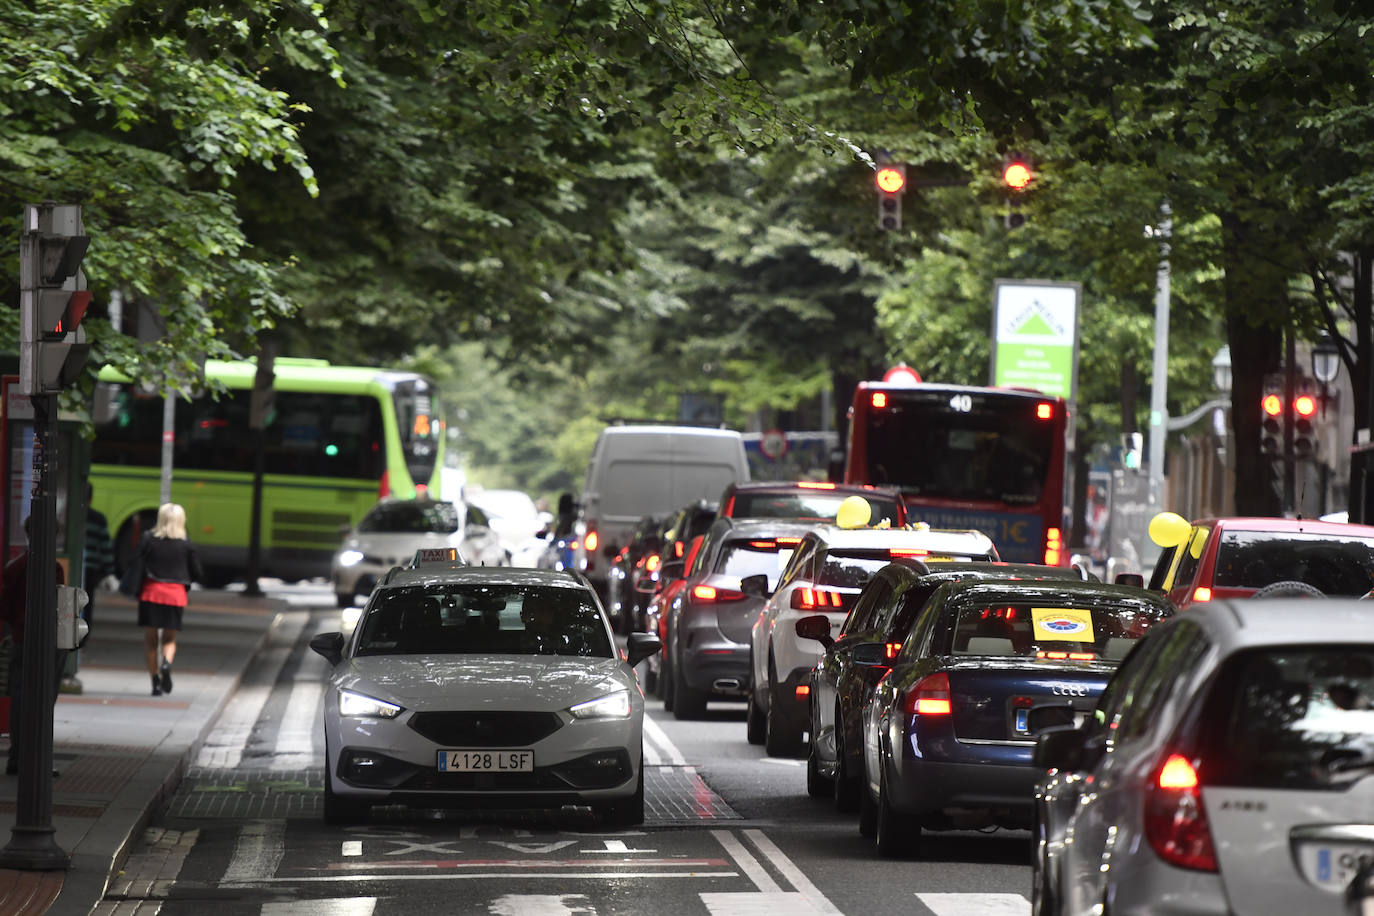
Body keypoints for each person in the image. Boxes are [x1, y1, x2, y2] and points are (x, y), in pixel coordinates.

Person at [1, 516, 66, 776]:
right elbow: (60, 607)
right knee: (44, 699)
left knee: (19, 698)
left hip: (20, 639)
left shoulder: (15, 567)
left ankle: (16, 756)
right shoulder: (54, 568)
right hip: (48, 642)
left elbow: (4, 606)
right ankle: (38, 758)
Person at [133, 503, 202, 696]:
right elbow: (197, 571)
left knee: (151, 640)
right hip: (175, 596)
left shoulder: (148, 539)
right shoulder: (185, 543)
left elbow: (136, 562)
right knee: (170, 638)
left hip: (151, 593)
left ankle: (155, 682)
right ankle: (167, 663)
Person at [83, 484, 115, 627]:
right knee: (87, 602)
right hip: (90, 570)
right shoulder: (98, 519)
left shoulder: (68, 514)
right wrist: (109, 572)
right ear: (91, 498)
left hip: (71, 567)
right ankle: (83, 634)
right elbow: (105, 547)